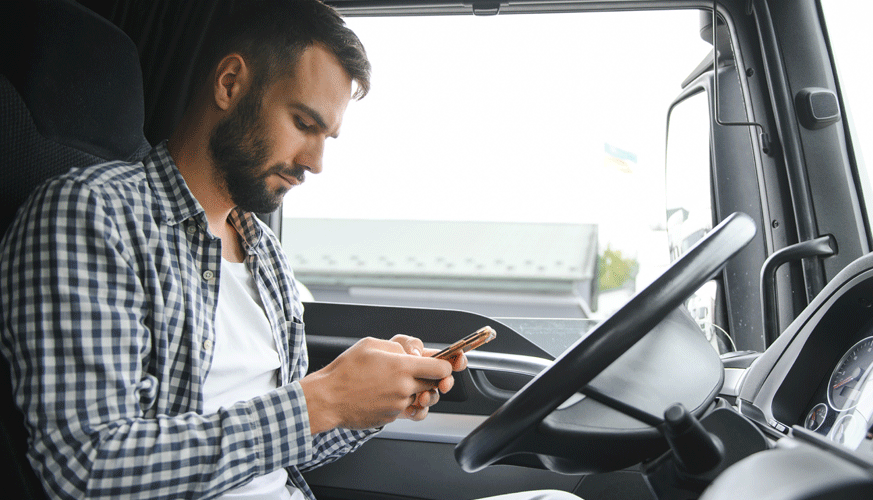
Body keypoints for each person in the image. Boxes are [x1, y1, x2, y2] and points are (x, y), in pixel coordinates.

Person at [0, 0, 580, 499]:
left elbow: (280, 448)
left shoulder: (265, 256)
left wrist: (370, 402)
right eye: (303, 122)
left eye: (326, 137)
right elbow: (86, 468)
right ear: (231, 84)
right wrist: (319, 400)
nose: (315, 163)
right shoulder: (92, 214)